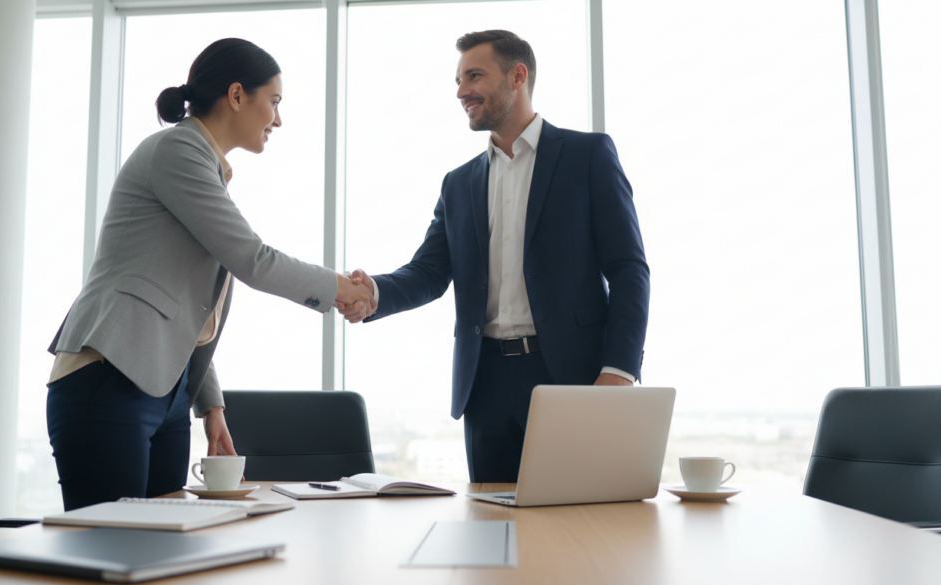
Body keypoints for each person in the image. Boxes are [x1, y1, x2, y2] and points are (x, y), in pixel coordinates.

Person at [46, 38, 375, 511]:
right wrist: (342, 288)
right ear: (237, 95)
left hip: (164, 390)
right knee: (109, 551)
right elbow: (252, 259)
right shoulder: (178, 150)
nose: (278, 119)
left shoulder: (203, 167)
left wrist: (210, 403)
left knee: (161, 552)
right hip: (108, 377)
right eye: (274, 101)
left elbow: (183, 308)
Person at [338, 30, 649, 482]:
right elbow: (429, 271)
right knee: (492, 530)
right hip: (484, 384)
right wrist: (374, 292)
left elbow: (628, 269)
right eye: (459, 79)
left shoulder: (588, 155)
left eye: (475, 75)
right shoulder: (459, 183)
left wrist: (619, 369)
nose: (462, 90)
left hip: (570, 376)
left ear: (517, 76)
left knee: (579, 526)